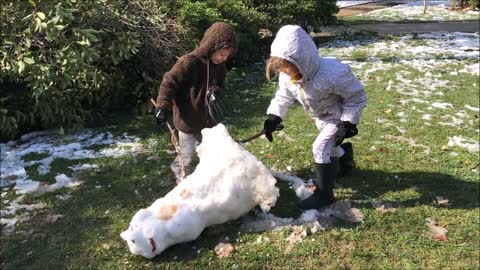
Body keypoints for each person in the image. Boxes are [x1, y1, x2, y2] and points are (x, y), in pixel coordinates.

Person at [263, 25, 367, 210]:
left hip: (337, 116)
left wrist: (348, 122)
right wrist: (274, 116)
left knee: (319, 147)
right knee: (331, 148)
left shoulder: (333, 74)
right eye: (283, 68)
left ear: (303, 60)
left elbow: (356, 96)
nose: (286, 72)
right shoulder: (287, 77)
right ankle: (345, 161)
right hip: (321, 117)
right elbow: (283, 97)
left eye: (290, 68)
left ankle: (324, 195)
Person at [154, 22, 237, 183]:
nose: (223, 58)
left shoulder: (220, 68)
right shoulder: (189, 62)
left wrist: (216, 95)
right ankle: (182, 181)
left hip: (209, 122)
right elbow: (169, 81)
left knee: (213, 153)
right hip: (188, 122)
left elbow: (221, 87)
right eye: (221, 54)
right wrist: (162, 106)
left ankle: (210, 182)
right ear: (210, 46)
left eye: (227, 56)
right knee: (187, 156)